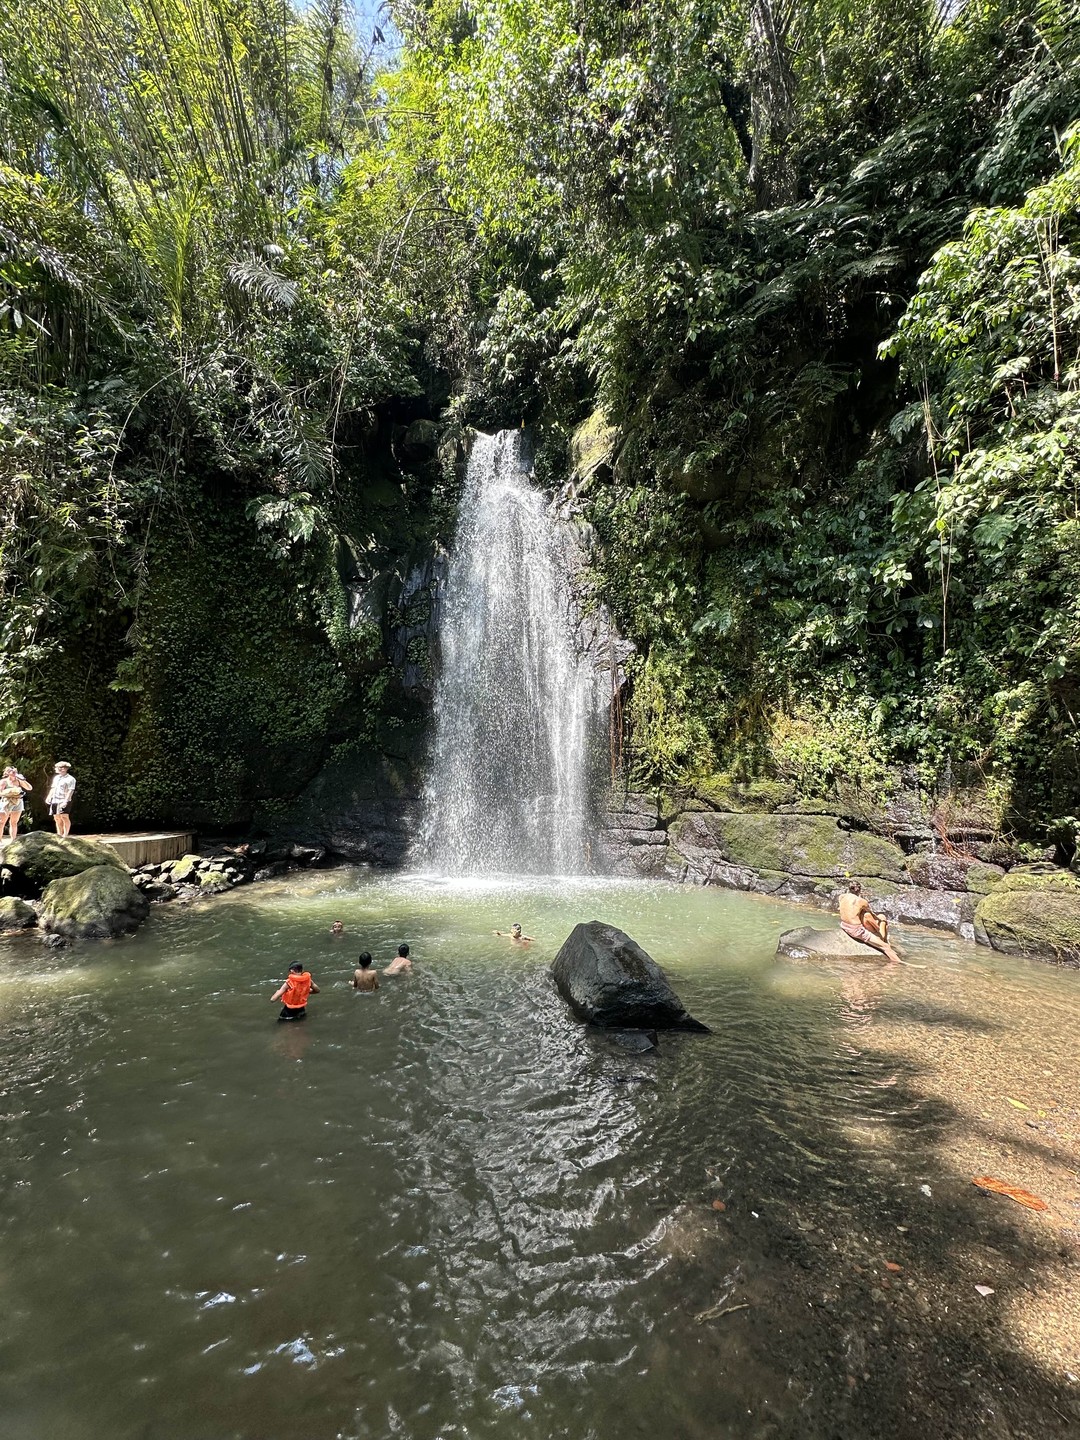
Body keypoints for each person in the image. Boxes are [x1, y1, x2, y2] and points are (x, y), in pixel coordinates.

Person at [838, 880, 901, 963]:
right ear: (859, 890)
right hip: (856, 930)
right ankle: (899, 963)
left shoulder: (841, 897)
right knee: (886, 947)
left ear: (849, 889)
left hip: (844, 925)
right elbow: (871, 914)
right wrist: (880, 920)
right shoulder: (862, 901)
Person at [44, 761, 76, 837]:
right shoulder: (56, 778)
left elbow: (70, 790)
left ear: (63, 769)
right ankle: (59, 834)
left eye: (57, 767)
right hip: (55, 800)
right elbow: (53, 788)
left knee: (64, 816)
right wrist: (49, 797)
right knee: (56, 817)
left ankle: (65, 834)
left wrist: (65, 801)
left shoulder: (71, 779)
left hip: (63, 800)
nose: (55, 769)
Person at [0, 765, 32, 841]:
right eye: (13, 771)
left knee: (14, 822)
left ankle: (13, 840)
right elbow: (0, 793)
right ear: (8, 773)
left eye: (16, 771)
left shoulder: (19, 781)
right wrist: (10, 792)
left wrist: (23, 780)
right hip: (6, 802)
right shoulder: (4, 781)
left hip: (18, 802)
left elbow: (29, 788)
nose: (15, 773)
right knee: (1, 822)